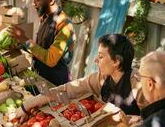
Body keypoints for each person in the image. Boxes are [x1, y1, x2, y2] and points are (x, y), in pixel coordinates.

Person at [11, 34, 146, 120]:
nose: (95, 61)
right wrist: (27, 105)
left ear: (116, 61)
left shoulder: (138, 86)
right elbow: (67, 90)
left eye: (100, 56)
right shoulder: (102, 79)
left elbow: (153, 123)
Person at [8, 0, 74, 86]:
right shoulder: (45, 17)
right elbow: (41, 48)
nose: (34, 4)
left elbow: (51, 59)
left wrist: (25, 40)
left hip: (55, 83)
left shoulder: (64, 25)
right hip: (40, 77)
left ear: (52, 0)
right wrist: (21, 44)